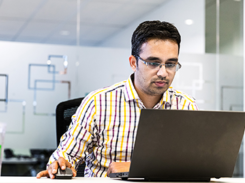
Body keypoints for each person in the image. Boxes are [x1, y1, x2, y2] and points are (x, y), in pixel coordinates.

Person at [36, 20, 198, 179]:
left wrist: (132, 167)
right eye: (153, 63)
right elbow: (65, 156)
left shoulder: (185, 105)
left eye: (170, 64)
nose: (163, 73)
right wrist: (60, 163)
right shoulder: (97, 103)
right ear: (134, 63)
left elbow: (197, 164)